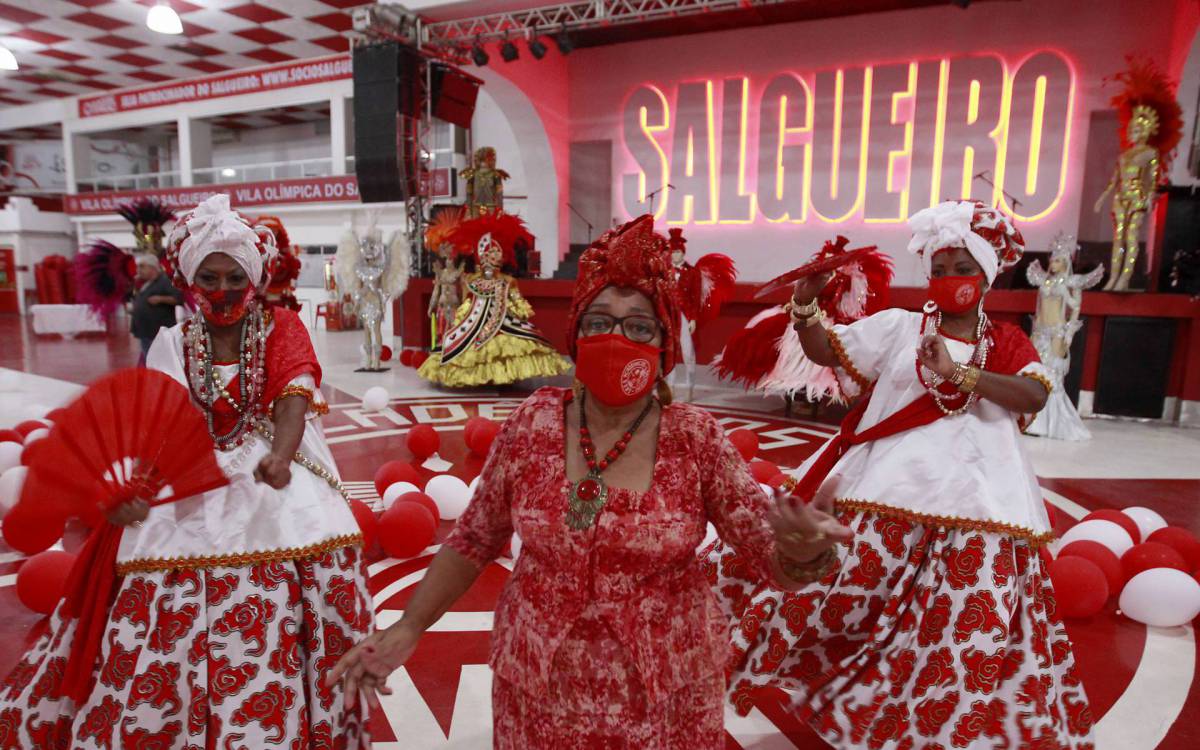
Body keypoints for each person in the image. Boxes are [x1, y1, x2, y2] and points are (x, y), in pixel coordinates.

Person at [330, 214, 851, 748]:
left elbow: (770, 557)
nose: (615, 338)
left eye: (639, 326)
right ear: (576, 335)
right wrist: (408, 627)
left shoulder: (695, 438)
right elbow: (473, 540)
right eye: (598, 322)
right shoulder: (533, 423)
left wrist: (801, 550)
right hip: (540, 689)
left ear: (663, 346)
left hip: (668, 696)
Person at [707, 200, 1095, 748]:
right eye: (939, 269)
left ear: (985, 276)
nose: (950, 280)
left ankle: (925, 722)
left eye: (963, 269)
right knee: (835, 591)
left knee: (963, 625)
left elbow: (1033, 393)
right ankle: (830, 688)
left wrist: (959, 372)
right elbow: (827, 349)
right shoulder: (899, 327)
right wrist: (804, 304)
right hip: (887, 486)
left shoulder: (1006, 339)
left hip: (981, 501)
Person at [0, 194, 373, 748]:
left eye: (233, 278)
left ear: (254, 279)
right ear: (190, 283)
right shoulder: (173, 341)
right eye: (209, 279)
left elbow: (294, 391)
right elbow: (159, 420)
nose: (222, 292)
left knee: (302, 570)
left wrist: (281, 454)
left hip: (272, 467)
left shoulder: (282, 327)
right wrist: (138, 489)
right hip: (191, 473)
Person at [418, 211, 570, 387]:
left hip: (506, 322)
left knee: (509, 345)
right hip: (474, 322)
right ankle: (479, 377)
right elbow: (467, 300)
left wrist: (519, 309)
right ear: (482, 257)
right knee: (470, 346)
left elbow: (517, 301)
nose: (495, 258)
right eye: (491, 255)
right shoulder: (471, 279)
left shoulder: (507, 280)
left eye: (498, 254)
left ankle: (504, 376)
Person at [130, 252, 182, 364]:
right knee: (148, 357)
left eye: (142, 267)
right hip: (145, 331)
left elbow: (178, 298)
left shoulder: (165, 282)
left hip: (156, 332)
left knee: (156, 360)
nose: (138, 270)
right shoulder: (146, 283)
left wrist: (161, 299)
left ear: (152, 267)